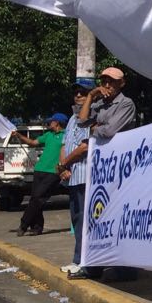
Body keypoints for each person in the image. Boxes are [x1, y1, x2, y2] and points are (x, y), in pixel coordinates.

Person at [69, 67, 138, 281]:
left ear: (122, 83)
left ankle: (124, 269)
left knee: (118, 216)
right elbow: (81, 121)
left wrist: (93, 129)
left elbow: (109, 131)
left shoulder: (126, 104)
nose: (108, 86)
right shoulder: (100, 104)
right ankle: (94, 265)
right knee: (96, 217)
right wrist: (91, 96)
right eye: (105, 81)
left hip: (119, 168)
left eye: (113, 82)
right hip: (100, 169)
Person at [12, 112, 69, 236]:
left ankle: (24, 224)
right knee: (35, 199)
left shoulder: (66, 136)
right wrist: (19, 136)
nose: (49, 123)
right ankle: (37, 227)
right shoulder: (48, 135)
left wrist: (63, 168)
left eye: (51, 121)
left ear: (57, 123)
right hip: (39, 169)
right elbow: (33, 143)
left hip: (53, 172)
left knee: (38, 198)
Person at [57, 82, 94, 272]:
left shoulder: (91, 117)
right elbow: (64, 145)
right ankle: (77, 259)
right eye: (76, 93)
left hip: (85, 175)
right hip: (71, 177)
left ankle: (84, 261)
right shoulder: (71, 118)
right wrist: (62, 167)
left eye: (83, 93)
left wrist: (66, 163)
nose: (78, 95)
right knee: (76, 220)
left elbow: (85, 147)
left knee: (86, 221)